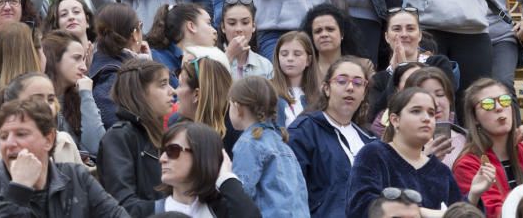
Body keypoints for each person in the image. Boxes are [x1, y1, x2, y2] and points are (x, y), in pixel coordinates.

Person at [0, 96, 130, 217]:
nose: (9, 143)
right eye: (4, 136)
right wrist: (19, 190)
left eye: (21, 134)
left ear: (48, 139)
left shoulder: (76, 178)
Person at [345, 88, 489, 218]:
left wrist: (473, 195)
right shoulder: (374, 154)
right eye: (416, 111)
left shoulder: (441, 171)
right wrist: (420, 212)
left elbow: (459, 215)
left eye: (431, 113)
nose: (426, 118)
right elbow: (360, 208)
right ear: (395, 120)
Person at [288, 56, 377, 217]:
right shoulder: (304, 131)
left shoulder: (370, 140)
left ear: (364, 93)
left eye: (358, 83)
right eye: (342, 81)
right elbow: (290, 192)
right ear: (326, 88)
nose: (350, 87)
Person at [0, 72, 84, 184]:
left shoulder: (65, 140)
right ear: (15, 104)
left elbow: (82, 190)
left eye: (51, 99)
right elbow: (2, 200)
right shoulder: (1, 147)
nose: (47, 106)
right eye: (37, 99)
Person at [98, 57, 175, 217]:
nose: (172, 90)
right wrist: (173, 207)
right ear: (139, 93)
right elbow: (123, 205)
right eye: (162, 84)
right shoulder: (118, 137)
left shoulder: (164, 134)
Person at [453, 78, 523, 218]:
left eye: (505, 100)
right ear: (475, 118)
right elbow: (493, 213)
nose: (499, 107)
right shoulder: (468, 165)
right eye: (488, 104)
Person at [228, 76, 308, 217]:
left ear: (238, 107)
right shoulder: (282, 144)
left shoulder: (249, 143)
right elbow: (301, 193)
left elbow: (241, 196)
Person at [154, 121, 262, 218]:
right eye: (162, 151)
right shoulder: (144, 211)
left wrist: (227, 179)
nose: (162, 159)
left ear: (200, 155)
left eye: (172, 150)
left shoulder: (224, 211)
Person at [367, 7, 456, 117]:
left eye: (410, 29)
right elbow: (375, 116)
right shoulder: (379, 79)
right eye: (397, 29)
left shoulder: (438, 63)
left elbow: (448, 101)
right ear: (387, 37)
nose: (404, 34)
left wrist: (406, 69)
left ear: (419, 35)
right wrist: (396, 74)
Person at [42, 29, 104, 156]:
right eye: (76, 58)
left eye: (83, 59)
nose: (84, 67)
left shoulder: (80, 97)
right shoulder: (37, 99)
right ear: (54, 59)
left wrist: (86, 95)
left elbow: (97, 147)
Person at [90, 3, 150, 128]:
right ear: (134, 34)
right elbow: (114, 124)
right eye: (140, 26)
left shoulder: (105, 65)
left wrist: (147, 63)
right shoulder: (113, 75)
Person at [405, 66, 467, 169]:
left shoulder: (469, 140)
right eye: (425, 96)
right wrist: (426, 160)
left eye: (440, 94)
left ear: (450, 99)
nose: (435, 103)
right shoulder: (399, 145)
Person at [147, 3, 217, 86]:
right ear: (191, 26)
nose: (214, 31)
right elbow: (174, 96)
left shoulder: (203, 59)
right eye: (208, 23)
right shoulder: (157, 59)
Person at [175, 54, 233, 137]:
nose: (174, 91)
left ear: (197, 94)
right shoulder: (177, 126)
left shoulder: (236, 136)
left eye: (180, 85)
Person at [272, 31, 321, 127]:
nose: (290, 58)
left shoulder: (318, 97)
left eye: (297, 54)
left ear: (308, 60)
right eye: (284, 54)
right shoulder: (269, 93)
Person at [301, 3, 360, 80]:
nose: (324, 34)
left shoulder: (362, 65)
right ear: (312, 37)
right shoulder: (304, 69)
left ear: (342, 33)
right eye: (318, 31)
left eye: (330, 29)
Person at [219, 0, 273, 79]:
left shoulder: (266, 66)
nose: (239, 29)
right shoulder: (211, 60)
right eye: (232, 23)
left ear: (253, 26)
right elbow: (207, 88)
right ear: (223, 27)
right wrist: (229, 55)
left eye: (245, 22)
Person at [0, 21, 44, 93]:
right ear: (34, 58)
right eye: (43, 52)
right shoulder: (48, 99)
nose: (44, 57)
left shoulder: (48, 96)